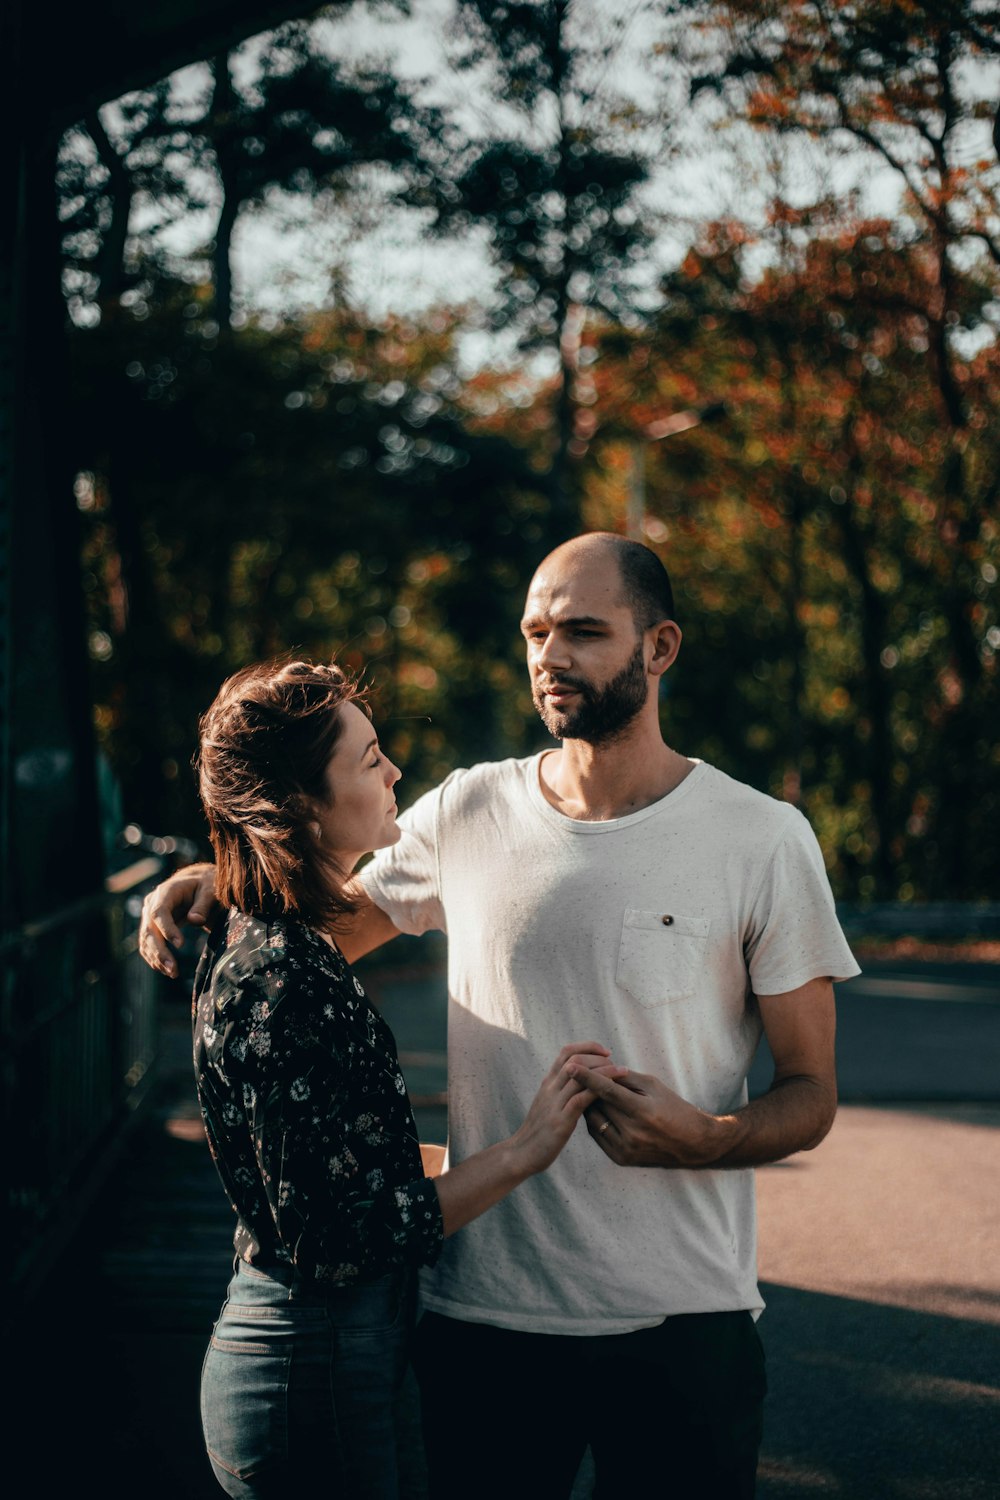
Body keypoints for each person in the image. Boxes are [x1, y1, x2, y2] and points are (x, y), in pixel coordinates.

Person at [143, 533, 860, 1500]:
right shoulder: (470, 809)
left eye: (583, 631)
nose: (550, 656)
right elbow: (308, 923)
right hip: (482, 1320)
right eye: (535, 632)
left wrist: (705, 1135)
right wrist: (211, 873)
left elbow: (810, 1094)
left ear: (660, 647)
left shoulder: (764, 839)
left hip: (687, 1326)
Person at [186, 657, 613, 1499]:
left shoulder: (277, 942)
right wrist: (523, 1151)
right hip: (310, 1365)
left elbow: (340, 1163)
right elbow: (341, 1235)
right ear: (302, 804)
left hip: (317, 1356)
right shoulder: (282, 973)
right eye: (368, 758)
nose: (393, 772)